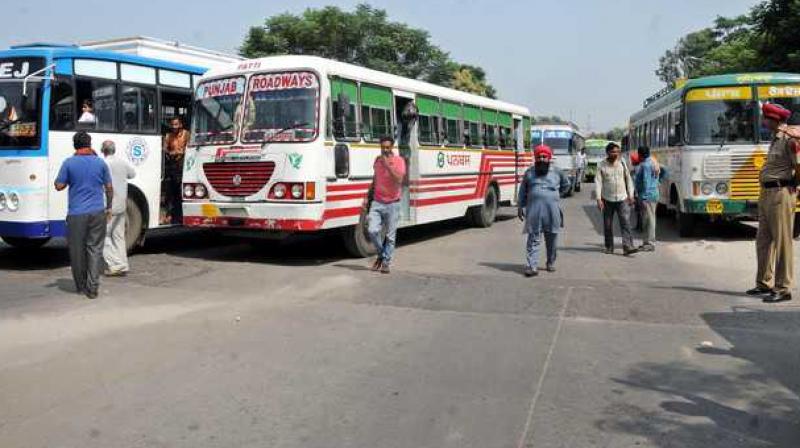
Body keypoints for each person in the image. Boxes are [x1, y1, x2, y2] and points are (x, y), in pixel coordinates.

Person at [746, 103, 800, 303]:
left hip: (781, 193)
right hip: (767, 193)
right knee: (763, 241)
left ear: (775, 120)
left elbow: (799, 165)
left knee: (783, 242)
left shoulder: (790, 139)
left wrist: (794, 183)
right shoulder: (774, 139)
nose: (763, 121)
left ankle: (783, 288)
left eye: (766, 118)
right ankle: (764, 283)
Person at [54, 131, 113, 299]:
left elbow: (59, 186)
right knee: (95, 249)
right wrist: (108, 208)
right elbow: (109, 187)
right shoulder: (100, 163)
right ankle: (93, 287)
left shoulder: (69, 163)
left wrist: (65, 180)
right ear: (90, 144)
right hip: (97, 212)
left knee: (77, 250)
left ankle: (81, 286)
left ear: (75, 145)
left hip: (76, 214)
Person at [518, 144, 570, 277]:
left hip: (552, 211)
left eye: (544, 157)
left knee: (552, 238)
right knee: (533, 238)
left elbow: (566, 185)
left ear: (549, 158)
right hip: (534, 211)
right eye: (539, 157)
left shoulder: (557, 172)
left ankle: (550, 262)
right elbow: (523, 191)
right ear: (535, 158)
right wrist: (520, 206)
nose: (541, 159)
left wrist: (555, 196)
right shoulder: (529, 172)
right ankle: (532, 266)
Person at [364, 136, 406, 274]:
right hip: (377, 202)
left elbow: (399, 179)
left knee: (390, 236)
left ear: (392, 147)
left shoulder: (399, 161)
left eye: (388, 148)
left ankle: (386, 263)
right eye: (383, 147)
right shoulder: (377, 161)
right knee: (372, 230)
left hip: (393, 204)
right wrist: (367, 196)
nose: (385, 150)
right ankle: (382, 254)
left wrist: (388, 165)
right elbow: (375, 179)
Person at [595, 142, 638, 256]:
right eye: (613, 152)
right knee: (608, 224)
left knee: (625, 223)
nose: (616, 154)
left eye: (618, 152)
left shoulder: (623, 163)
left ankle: (627, 246)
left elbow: (628, 179)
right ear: (608, 152)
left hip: (622, 198)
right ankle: (609, 246)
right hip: (607, 199)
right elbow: (598, 182)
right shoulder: (601, 165)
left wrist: (631, 195)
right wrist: (599, 199)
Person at [101, 140, 136, 276]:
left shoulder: (104, 163)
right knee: (119, 236)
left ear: (103, 150)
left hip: (108, 205)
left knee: (103, 237)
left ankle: (116, 265)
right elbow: (132, 174)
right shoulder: (121, 162)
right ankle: (123, 264)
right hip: (121, 204)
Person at [634, 146, 667, 251]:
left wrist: (644, 197)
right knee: (648, 219)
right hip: (653, 194)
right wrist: (658, 182)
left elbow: (646, 182)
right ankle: (646, 242)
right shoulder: (654, 162)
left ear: (640, 155)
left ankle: (650, 243)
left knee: (649, 220)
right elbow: (665, 171)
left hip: (647, 196)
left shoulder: (645, 165)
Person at [164, 116, 189, 224]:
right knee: (171, 191)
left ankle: (180, 215)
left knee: (180, 191)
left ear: (180, 125)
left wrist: (180, 152)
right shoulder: (169, 136)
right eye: (172, 124)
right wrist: (168, 151)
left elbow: (189, 148)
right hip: (172, 165)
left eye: (176, 124)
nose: (174, 127)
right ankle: (170, 214)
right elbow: (165, 148)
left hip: (182, 164)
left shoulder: (186, 134)